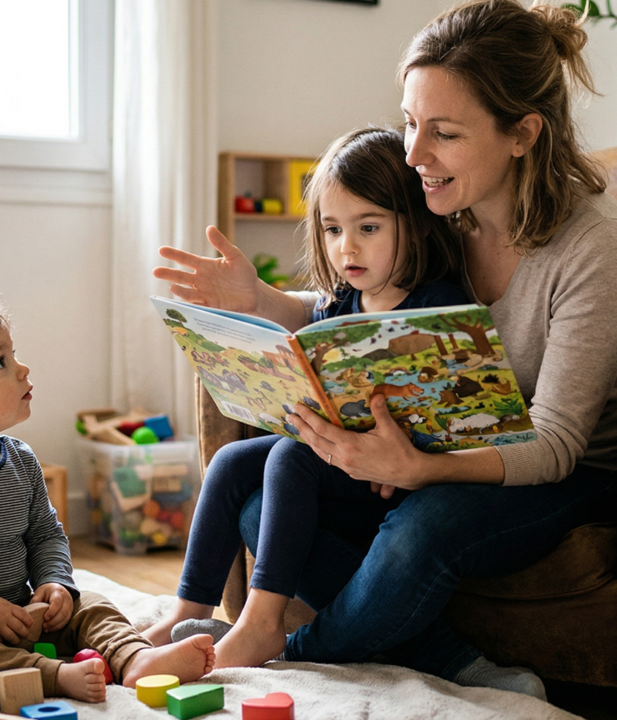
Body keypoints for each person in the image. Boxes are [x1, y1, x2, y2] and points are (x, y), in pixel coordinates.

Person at [151, 0, 617, 701]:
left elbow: (558, 442)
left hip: (548, 475)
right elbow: (351, 316)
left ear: (522, 134)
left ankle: (284, 651)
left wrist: (419, 468)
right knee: (264, 496)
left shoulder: (595, 246)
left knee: (422, 529)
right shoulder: (441, 207)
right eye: (411, 123)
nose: (413, 155)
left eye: (442, 132)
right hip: (415, 443)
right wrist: (259, 300)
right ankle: (450, 660)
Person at [142, 127, 473, 667]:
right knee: (231, 461)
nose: (348, 247)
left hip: (395, 485)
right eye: (333, 229)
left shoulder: (438, 305)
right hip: (340, 466)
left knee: (292, 455)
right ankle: (188, 609)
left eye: (369, 227)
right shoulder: (340, 303)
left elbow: (452, 412)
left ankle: (261, 623)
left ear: (413, 223)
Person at [0, 278, 215, 702]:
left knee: (92, 602)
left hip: (19, 615)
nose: (22, 369)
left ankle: (133, 658)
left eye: (12, 355)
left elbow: (45, 535)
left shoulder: (22, 460)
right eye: (0, 363)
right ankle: (45, 675)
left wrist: (54, 583)